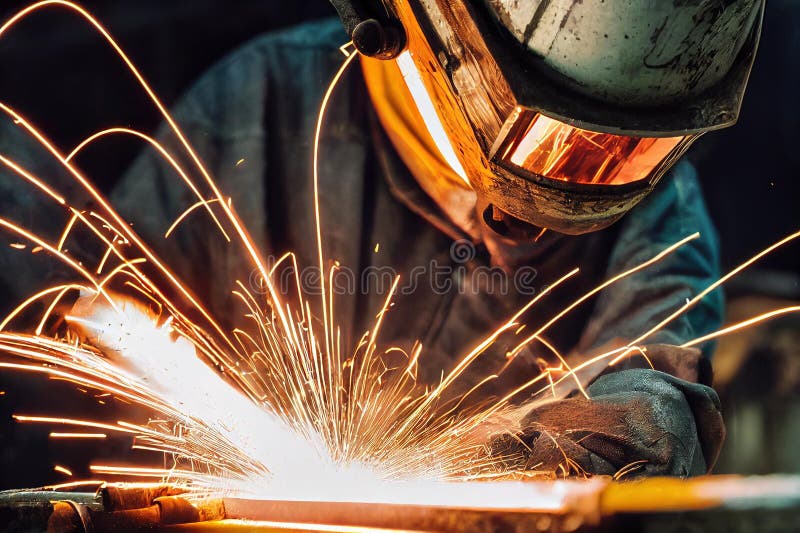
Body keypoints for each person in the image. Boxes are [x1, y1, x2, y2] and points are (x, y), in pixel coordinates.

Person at [3, 0, 764, 478]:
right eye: (550, 141)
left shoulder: (656, 210)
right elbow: (99, 343)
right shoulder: (255, 112)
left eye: (620, 150)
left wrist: (533, 476)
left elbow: (652, 397)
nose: (578, 175)